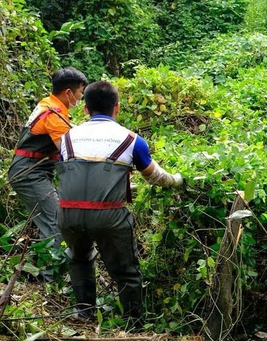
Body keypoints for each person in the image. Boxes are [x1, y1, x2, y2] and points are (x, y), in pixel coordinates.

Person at [57, 80, 184, 321]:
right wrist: (178, 180)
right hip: (109, 216)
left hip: (68, 213)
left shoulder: (67, 138)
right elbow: (155, 177)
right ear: (117, 108)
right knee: (126, 271)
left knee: (79, 259)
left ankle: (84, 313)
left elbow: (79, 171)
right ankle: (133, 321)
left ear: (85, 109)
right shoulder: (131, 140)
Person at [8, 67, 88, 251]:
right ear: (68, 93)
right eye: (80, 93)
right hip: (28, 173)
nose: (80, 98)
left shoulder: (49, 105)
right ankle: (50, 277)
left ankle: (47, 269)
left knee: (54, 219)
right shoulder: (53, 116)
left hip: (31, 171)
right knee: (57, 222)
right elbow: (69, 153)